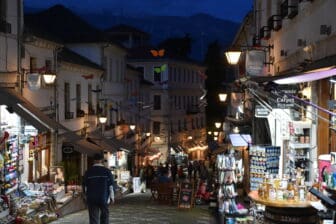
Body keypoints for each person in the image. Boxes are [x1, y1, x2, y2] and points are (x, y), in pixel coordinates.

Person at [82, 153, 117, 224]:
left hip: (91, 198)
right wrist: (112, 197)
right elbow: (111, 186)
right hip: (104, 197)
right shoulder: (107, 171)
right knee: (105, 217)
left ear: (94, 160)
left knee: (93, 218)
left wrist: (85, 197)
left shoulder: (88, 172)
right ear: (102, 160)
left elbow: (85, 187)